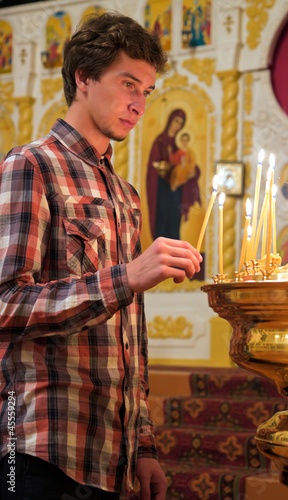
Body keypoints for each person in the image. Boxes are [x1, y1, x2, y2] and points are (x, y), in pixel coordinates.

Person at [0, 12, 202, 500]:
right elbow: (6, 304)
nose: (139, 103)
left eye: (148, 90)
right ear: (83, 78)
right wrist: (126, 278)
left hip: (113, 453)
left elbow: (130, 334)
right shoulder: (30, 165)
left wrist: (145, 446)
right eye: (128, 83)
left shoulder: (127, 195)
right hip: (40, 449)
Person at [146, 109, 201, 241]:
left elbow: (190, 163)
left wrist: (194, 172)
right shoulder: (159, 141)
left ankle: (174, 259)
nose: (177, 125)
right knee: (163, 219)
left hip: (177, 190)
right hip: (162, 189)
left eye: (181, 123)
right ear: (170, 120)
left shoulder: (180, 143)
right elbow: (152, 167)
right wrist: (164, 169)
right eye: (176, 121)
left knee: (175, 221)